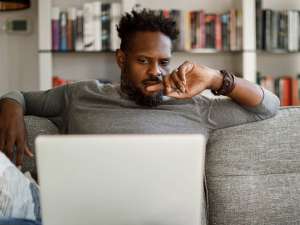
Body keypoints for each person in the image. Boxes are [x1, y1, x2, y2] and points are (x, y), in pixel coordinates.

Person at [0, 9, 279, 225]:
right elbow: (19, 95)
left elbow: (267, 106)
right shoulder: (81, 95)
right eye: (143, 61)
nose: (155, 71)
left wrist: (216, 79)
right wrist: (11, 105)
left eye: (164, 62)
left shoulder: (195, 107)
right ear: (121, 59)